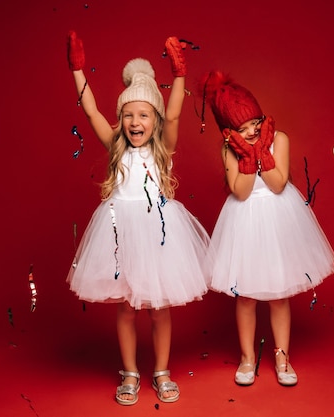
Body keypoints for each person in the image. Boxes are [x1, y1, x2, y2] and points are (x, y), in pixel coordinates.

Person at [65, 31, 211, 406]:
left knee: (159, 309)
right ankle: (129, 372)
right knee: (127, 308)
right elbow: (91, 111)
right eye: (128, 115)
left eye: (143, 114)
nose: (134, 121)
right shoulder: (116, 144)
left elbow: (176, 111)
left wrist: (179, 74)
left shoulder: (163, 147)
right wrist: (78, 70)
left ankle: (161, 371)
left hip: (159, 234)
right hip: (119, 233)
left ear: (155, 119)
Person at [200, 71, 334, 387]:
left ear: (262, 118)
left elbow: (277, 185)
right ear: (228, 132)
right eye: (242, 128)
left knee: (279, 294)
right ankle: (248, 357)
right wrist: (247, 158)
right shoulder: (229, 150)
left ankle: (281, 355)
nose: (250, 131)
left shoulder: (280, 139)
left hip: (277, 217)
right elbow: (242, 191)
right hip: (244, 219)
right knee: (245, 295)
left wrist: (262, 151)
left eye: (254, 123)